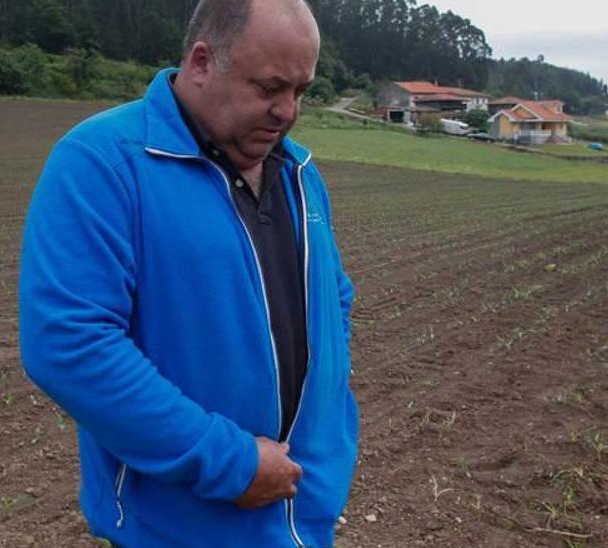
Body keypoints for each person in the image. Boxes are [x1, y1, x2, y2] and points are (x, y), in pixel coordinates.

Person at [18, 0, 356, 544]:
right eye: (270, 88)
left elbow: (333, 296)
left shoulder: (299, 174)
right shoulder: (105, 162)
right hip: (179, 528)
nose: (287, 112)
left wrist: (325, 420)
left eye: (301, 91)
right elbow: (70, 345)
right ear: (202, 62)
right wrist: (230, 463)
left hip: (303, 520)